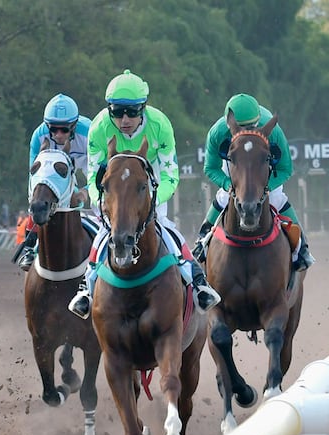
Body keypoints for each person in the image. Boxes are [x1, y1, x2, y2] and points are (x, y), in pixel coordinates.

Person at [67, 70, 221, 319]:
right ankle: (86, 288)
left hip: (149, 185)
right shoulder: (98, 128)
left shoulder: (160, 125)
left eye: (132, 111)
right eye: (117, 111)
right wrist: (102, 202)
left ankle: (199, 281)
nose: (124, 119)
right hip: (114, 191)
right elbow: (95, 177)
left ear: (144, 108)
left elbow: (171, 176)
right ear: (109, 110)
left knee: (165, 226)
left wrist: (151, 202)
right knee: (107, 231)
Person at [193, 93, 315, 271]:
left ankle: (301, 248)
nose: (247, 133)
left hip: (261, 165)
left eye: (252, 127)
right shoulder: (217, 133)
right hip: (236, 161)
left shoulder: (274, 132)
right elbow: (210, 168)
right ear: (229, 124)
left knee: (276, 198)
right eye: (241, 128)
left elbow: (285, 169)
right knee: (223, 197)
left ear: (259, 121)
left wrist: (267, 188)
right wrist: (228, 184)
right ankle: (202, 240)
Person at [18, 93, 93, 271]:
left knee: (103, 204)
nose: (58, 135)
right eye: (53, 129)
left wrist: (86, 191)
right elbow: (34, 175)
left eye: (64, 130)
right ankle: (30, 246)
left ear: (74, 126)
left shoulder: (90, 132)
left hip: (88, 163)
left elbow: (101, 170)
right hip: (55, 172)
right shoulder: (39, 135)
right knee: (40, 200)